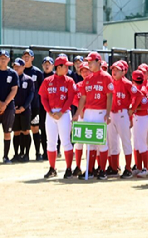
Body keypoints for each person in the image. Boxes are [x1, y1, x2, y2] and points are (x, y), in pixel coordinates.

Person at [73, 52, 114, 180]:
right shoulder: (88, 79)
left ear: (98, 61)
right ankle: (89, 170)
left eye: (91, 62)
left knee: (101, 142)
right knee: (89, 142)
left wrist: (107, 114)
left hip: (100, 112)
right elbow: (83, 98)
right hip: (89, 112)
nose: (89, 64)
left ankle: (102, 170)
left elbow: (109, 96)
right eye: (88, 62)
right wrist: (77, 113)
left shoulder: (106, 77)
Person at [39, 55, 76, 178]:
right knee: (51, 142)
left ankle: (69, 168)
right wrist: (49, 112)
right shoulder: (47, 81)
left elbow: (70, 98)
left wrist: (61, 112)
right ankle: (52, 168)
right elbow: (43, 97)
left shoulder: (69, 81)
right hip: (51, 114)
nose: (67, 69)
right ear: (58, 67)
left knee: (66, 141)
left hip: (64, 114)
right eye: (65, 66)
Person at [107, 61, 139, 178]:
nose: (114, 72)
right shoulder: (110, 81)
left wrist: (132, 108)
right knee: (113, 143)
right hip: (111, 114)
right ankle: (114, 168)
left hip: (122, 114)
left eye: (117, 70)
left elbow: (139, 95)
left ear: (123, 71)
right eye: (113, 69)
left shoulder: (126, 83)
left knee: (126, 141)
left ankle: (128, 168)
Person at [0, 50, 19, 164]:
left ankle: (6, 156)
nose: (3, 59)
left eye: (5, 57)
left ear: (8, 60)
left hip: (9, 107)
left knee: (7, 132)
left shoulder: (13, 74)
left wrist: (5, 104)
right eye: (1, 57)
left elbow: (14, 90)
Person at [129, 70, 148, 178]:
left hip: (142, 117)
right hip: (139, 117)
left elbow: (144, 106)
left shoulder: (141, 90)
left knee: (142, 143)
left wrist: (131, 109)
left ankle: (146, 168)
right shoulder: (140, 88)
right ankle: (139, 167)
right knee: (138, 143)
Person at [22, 49, 44, 161]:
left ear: (32, 58)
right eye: (24, 56)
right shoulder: (19, 71)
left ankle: (38, 153)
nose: (26, 58)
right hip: (23, 107)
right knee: (24, 130)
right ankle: (24, 154)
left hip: (35, 106)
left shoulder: (37, 72)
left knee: (35, 129)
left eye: (28, 56)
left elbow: (42, 90)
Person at [11, 58, 35, 163]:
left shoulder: (28, 79)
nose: (16, 68)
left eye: (18, 66)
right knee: (16, 132)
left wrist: (23, 107)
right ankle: (16, 154)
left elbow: (31, 95)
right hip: (13, 110)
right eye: (14, 66)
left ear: (23, 67)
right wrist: (13, 107)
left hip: (25, 110)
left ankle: (26, 154)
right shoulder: (11, 78)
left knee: (25, 131)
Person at [40, 56, 55, 160]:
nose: (47, 65)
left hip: (54, 108)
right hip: (41, 107)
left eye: (49, 63)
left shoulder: (56, 77)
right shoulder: (39, 76)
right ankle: (45, 152)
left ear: (53, 66)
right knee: (43, 129)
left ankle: (55, 150)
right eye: (45, 63)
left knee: (55, 130)